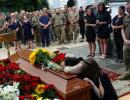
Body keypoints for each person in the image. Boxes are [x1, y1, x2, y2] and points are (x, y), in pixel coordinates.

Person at [121, 2, 130, 79]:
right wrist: (125, 39)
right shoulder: (125, 17)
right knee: (126, 59)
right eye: (126, 8)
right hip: (126, 42)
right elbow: (122, 30)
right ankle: (127, 73)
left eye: (128, 8)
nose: (127, 10)